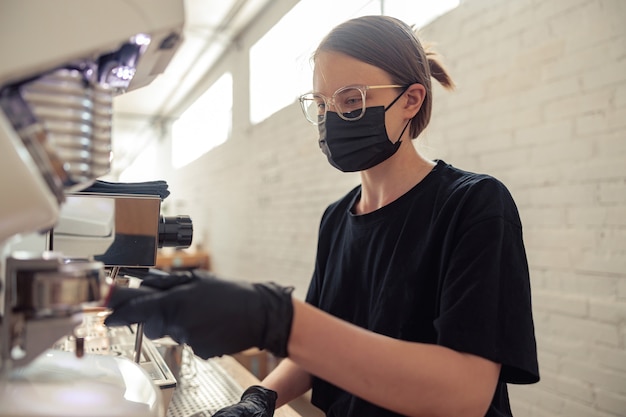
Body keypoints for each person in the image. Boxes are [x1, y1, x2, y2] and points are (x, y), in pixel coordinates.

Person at [105, 15, 539, 417]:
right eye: (322, 104)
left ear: (411, 100)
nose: (332, 119)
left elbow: (464, 394)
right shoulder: (337, 218)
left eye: (351, 101)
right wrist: (260, 398)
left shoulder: (474, 205)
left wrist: (280, 320)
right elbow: (321, 350)